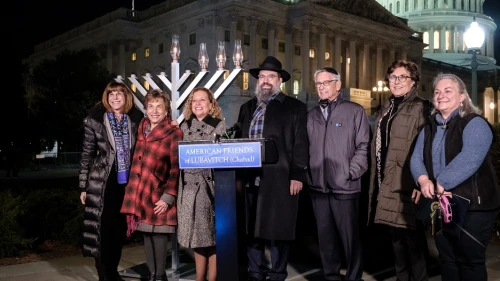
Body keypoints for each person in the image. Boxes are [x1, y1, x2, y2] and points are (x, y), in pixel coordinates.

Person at [410, 73, 500, 281]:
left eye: (448, 91)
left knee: (470, 261)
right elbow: (416, 158)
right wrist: (423, 179)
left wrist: (441, 182)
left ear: (462, 97)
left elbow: (470, 158)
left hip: (474, 206)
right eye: (437, 92)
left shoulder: (474, 123)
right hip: (442, 204)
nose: (441, 95)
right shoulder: (429, 126)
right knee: (448, 259)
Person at [235, 56, 309, 281]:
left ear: (280, 80)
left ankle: (277, 273)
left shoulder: (294, 107)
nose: (266, 80)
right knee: (251, 230)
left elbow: (300, 143)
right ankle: (255, 272)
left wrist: (298, 174)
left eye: (271, 76)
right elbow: (239, 137)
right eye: (262, 76)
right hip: (250, 178)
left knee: (279, 229)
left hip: (279, 176)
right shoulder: (247, 107)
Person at [367, 60, 432, 281]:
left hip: (408, 183)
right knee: (396, 242)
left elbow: (427, 148)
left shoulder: (421, 107)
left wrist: (420, 181)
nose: (396, 81)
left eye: (402, 77)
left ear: (413, 82)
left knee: (413, 241)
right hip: (386, 181)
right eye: (393, 77)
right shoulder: (387, 107)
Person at [307, 67, 370, 281]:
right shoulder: (312, 115)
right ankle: (331, 275)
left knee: (349, 237)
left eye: (326, 82)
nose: (322, 87)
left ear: (337, 84)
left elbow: (363, 145)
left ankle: (353, 276)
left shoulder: (354, 111)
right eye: (318, 84)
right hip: (318, 186)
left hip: (345, 186)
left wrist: (351, 172)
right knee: (325, 238)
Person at [79, 81, 143, 281]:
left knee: (119, 231)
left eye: (119, 94)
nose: (115, 97)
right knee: (102, 231)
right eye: (111, 94)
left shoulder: (136, 119)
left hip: (127, 184)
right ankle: (104, 275)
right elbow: (87, 154)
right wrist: (83, 186)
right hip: (102, 183)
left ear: (127, 97)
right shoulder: (96, 120)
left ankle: (113, 271)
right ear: (106, 98)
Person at [120, 89, 183, 281]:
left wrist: (169, 196)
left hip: (160, 191)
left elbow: (176, 166)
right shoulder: (141, 129)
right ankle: (153, 274)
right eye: (150, 106)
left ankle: (160, 275)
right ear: (145, 109)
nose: (154, 110)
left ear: (166, 111)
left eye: (159, 107)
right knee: (146, 233)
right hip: (141, 191)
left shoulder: (174, 132)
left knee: (159, 235)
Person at [177, 87, 226, 281]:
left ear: (211, 104)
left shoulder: (219, 125)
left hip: (208, 188)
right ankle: (199, 278)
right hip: (188, 188)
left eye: (202, 100)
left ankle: (211, 278)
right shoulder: (183, 125)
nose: (198, 104)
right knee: (198, 238)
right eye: (194, 100)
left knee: (211, 238)